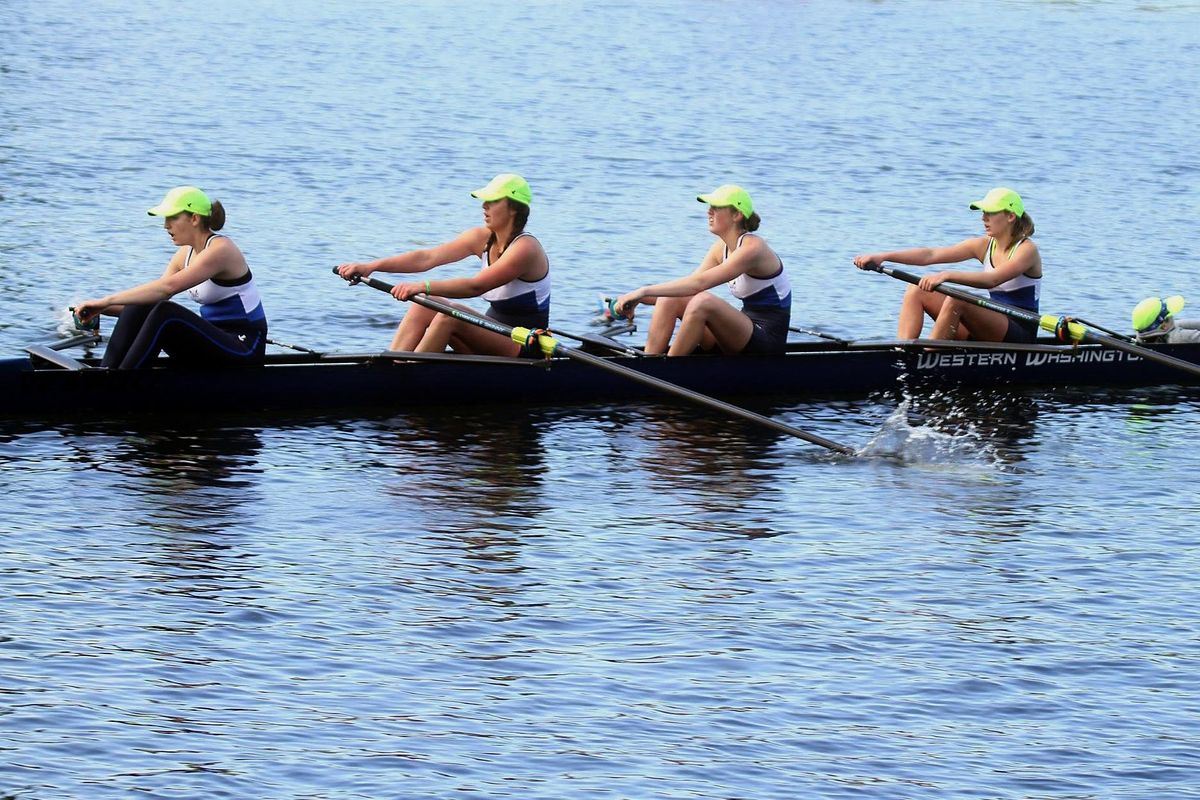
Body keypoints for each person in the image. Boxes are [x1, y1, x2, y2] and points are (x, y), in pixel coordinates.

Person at [336, 173, 550, 355]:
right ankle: (395, 363)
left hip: (525, 346)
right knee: (425, 303)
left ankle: (409, 372)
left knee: (450, 316)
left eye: (492, 201)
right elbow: (426, 258)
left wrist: (422, 285)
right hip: (491, 335)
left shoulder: (526, 249)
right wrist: (371, 266)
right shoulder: (480, 237)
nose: (484, 206)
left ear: (513, 208)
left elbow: (476, 286)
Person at [73, 186, 268, 369]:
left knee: (165, 311)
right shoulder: (185, 254)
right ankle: (107, 372)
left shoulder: (221, 250)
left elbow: (167, 288)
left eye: (172, 218)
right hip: (213, 340)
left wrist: (106, 300)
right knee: (143, 302)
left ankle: (120, 385)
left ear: (194, 219)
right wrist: (100, 309)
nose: (165, 225)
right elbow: (147, 303)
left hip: (244, 347)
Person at [613, 184, 791, 356]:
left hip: (767, 342)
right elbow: (686, 287)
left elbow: (699, 285)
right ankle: (648, 364)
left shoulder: (753, 248)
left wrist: (643, 290)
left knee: (703, 301)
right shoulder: (720, 248)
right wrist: (638, 298)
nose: (709, 211)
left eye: (716, 207)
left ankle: (667, 372)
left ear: (736, 214)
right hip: (740, 332)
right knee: (670, 298)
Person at [853, 187, 1042, 342]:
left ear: (1010, 216)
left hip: (1019, 332)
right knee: (916, 289)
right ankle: (902, 352)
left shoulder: (1027, 250)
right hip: (990, 323)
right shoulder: (983, 245)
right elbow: (930, 254)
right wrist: (883, 256)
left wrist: (946, 275)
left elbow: (993, 279)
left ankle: (929, 357)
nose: (983, 218)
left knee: (957, 298)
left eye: (991, 213)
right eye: (984, 212)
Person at [1132, 295, 1200, 343]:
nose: (1172, 317)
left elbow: (1177, 324)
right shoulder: (1179, 337)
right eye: (1168, 316)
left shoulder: (1143, 337)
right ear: (1164, 326)